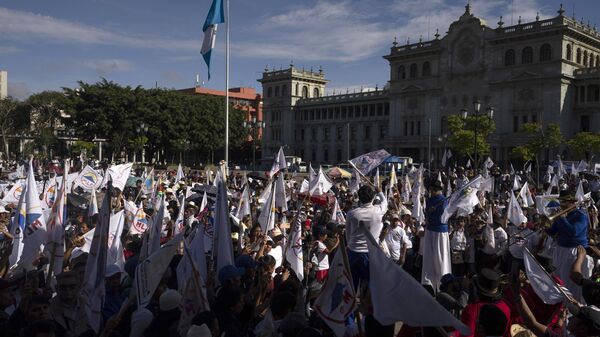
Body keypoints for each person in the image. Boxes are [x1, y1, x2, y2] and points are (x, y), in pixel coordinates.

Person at [547, 190, 591, 302]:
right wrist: (545, 227)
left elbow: (574, 232)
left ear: (571, 202)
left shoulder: (580, 215)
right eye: (561, 202)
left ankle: (571, 308)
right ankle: (561, 304)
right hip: (560, 250)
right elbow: (553, 231)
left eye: (564, 202)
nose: (561, 205)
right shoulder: (562, 215)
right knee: (559, 280)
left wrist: (562, 218)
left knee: (570, 284)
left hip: (573, 252)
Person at [345, 185, 388, 289]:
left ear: (359, 197)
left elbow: (348, 234)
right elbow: (385, 203)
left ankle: (353, 304)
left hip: (353, 251)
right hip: (371, 254)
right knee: (371, 285)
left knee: (352, 285)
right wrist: (380, 192)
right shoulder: (378, 211)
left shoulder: (351, 214)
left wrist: (351, 245)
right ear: (373, 197)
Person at [422, 180, 452, 291]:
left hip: (440, 232)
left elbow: (444, 216)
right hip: (430, 231)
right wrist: (430, 211)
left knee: (441, 259)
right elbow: (427, 213)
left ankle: (442, 286)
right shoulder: (429, 200)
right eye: (431, 190)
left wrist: (435, 210)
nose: (432, 191)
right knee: (429, 260)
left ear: (438, 190)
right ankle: (429, 285)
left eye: (434, 190)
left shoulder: (444, 201)